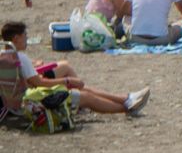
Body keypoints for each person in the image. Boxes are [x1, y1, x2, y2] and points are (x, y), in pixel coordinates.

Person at [0, 20, 150, 116]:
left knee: (75, 84)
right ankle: (127, 108)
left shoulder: (5, 55)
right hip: (30, 103)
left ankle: (126, 99)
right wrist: (67, 80)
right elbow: (40, 83)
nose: (27, 39)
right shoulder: (20, 58)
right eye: (25, 35)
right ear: (15, 38)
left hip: (13, 101)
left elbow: (29, 80)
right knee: (85, 96)